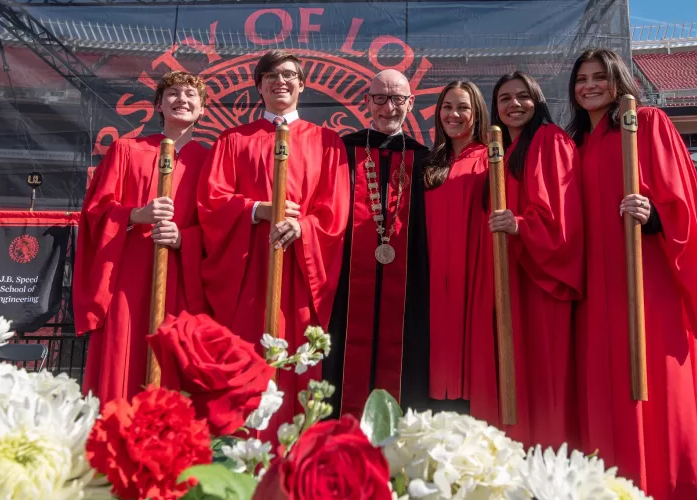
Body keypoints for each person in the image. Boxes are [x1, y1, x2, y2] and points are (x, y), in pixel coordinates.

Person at [568, 48, 697, 499]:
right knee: (603, 397)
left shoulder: (646, 122)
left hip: (647, 284)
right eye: (582, 79)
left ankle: (670, 488)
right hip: (597, 291)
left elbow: (684, 202)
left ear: (619, 81)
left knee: (656, 395)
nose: (590, 86)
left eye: (600, 77)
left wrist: (653, 216)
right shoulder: (577, 144)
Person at [198, 50, 349, 435]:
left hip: (300, 275)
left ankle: (297, 457)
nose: (280, 81)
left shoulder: (328, 143)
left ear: (302, 84)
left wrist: (305, 229)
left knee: (298, 361)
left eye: (288, 75)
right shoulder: (232, 141)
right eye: (270, 75)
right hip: (248, 274)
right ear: (258, 86)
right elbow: (212, 200)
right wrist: (255, 209)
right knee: (247, 359)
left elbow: (335, 209)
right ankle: (241, 456)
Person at [464, 72, 584, 449]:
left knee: (541, 371)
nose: (514, 105)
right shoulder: (502, 151)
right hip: (508, 273)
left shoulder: (549, 140)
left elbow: (559, 217)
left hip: (539, 278)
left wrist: (519, 225)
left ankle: (546, 457)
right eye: (504, 99)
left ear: (538, 101)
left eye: (522, 97)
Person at [74, 70, 209, 402]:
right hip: (129, 277)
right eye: (174, 94)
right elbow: (95, 213)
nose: (183, 100)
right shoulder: (127, 150)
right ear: (159, 105)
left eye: (192, 95)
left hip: (182, 277)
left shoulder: (210, 160)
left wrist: (184, 238)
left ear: (202, 109)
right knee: (124, 352)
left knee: (176, 361)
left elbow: (219, 225)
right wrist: (135, 214)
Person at [325, 70, 433, 417]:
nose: (389, 107)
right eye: (381, 98)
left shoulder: (425, 159)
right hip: (349, 280)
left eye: (398, 99)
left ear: (410, 104)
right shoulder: (343, 150)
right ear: (367, 102)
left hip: (407, 282)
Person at [423, 80, 489, 415]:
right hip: (433, 280)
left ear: (476, 112)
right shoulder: (429, 162)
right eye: (447, 107)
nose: (453, 114)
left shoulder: (491, 160)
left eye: (462, 107)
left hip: (474, 275)